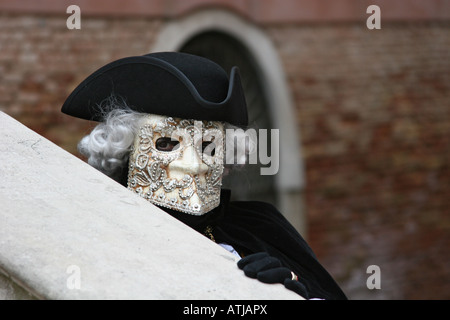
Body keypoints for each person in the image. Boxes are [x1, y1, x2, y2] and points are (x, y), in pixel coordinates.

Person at [61, 51, 347, 300]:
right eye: (167, 144)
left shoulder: (262, 227)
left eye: (208, 147)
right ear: (126, 150)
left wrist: (294, 291)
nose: (193, 164)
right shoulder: (100, 235)